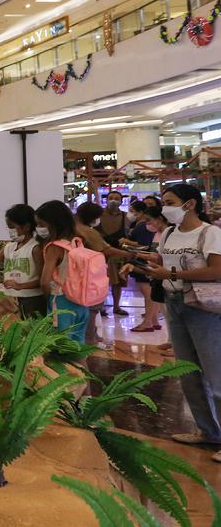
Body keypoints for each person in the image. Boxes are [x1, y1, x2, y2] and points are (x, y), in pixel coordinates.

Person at [134, 184, 221, 458]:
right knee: (187, 371)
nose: (164, 207)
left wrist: (171, 274)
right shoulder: (169, 232)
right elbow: (162, 260)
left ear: (190, 204)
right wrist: (140, 261)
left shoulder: (210, 233)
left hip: (203, 308)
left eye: (170, 201)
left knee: (216, 374)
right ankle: (208, 430)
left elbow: (217, 270)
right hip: (175, 304)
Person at [74, 201, 136, 346]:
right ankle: (89, 341)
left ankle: (93, 336)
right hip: (90, 276)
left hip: (79, 276)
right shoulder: (86, 231)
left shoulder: (73, 228)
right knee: (91, 310)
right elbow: (106, 250)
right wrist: (128, 255)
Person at [36, 200, 90, 344]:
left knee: (60, 349)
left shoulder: (54, 248)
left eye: (41, 224)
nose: (38, 228)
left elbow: (44, 281)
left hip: (60, 303)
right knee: (78, 348)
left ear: (53, 224)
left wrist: (46, 296)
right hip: (81, 303)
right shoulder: (77, 242)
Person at [120, 200, 164, 332]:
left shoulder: (164, 232)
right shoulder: (157, 232)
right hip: (151, 268)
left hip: (155, 270)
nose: (148, 223)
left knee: (150, 296)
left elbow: (152, 253)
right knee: (153, 296)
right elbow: (152, 252)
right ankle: (154, 321)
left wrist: (131, 249)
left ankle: (148, 322)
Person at [99, 191, 131, 317]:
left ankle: (117, 306)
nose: (113, 200)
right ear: (106, 200)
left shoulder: (125, 217)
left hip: (118, 253)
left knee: (118, 282)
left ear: (121, 201)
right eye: (111, 198)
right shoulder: (98, 216)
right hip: (101, 253)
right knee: (100, 281)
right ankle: (100, 306)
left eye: (117, 198)